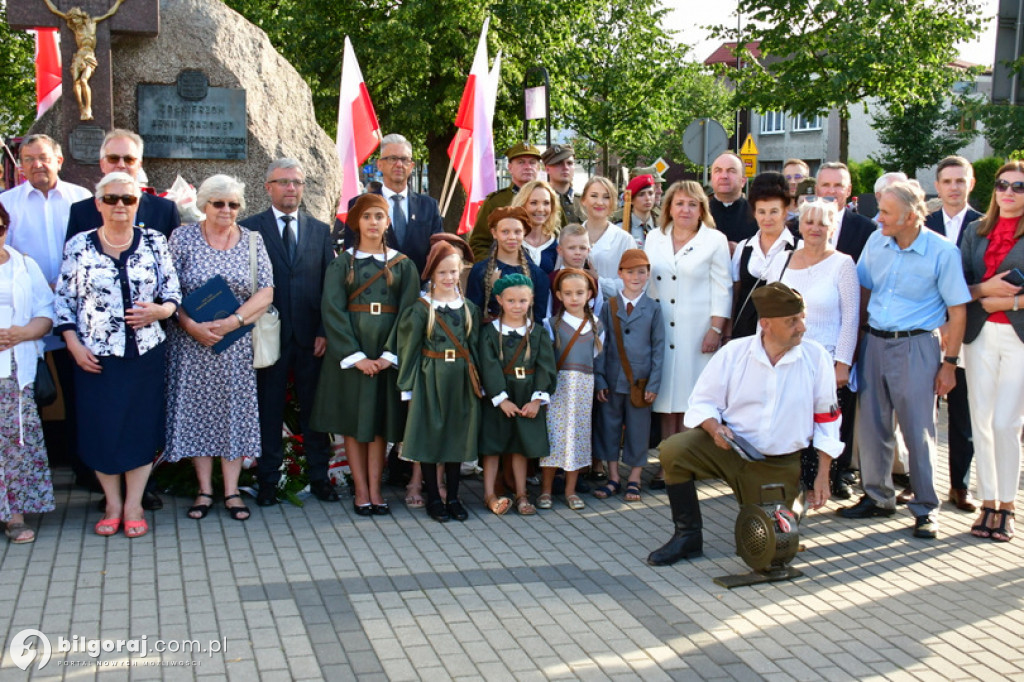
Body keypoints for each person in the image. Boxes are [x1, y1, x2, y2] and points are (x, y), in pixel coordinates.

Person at [647, 282, 842, 566]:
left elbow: (827, 419)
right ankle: (687, 537)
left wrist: (823, 473)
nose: (802, 327)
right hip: (729, 449)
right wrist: (714, 429)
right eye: (792, 321)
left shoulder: (816, 358)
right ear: (766, 324)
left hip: (777, 463)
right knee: (674, 450)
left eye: (802, 318)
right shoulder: (734, 353)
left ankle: (793, 499)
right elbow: (702, 402)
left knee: (770, 555)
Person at [839, 181, 970, 540]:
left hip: (917, 347)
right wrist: (856, 340)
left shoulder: (942, 252)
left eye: (885, 213)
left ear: (912, 217)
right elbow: (862, 289)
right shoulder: (876, 241)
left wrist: (950, 364)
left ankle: (926, 508)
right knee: (873, 427)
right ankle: (878, 497)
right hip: (875, 343)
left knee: (918, 431)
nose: (877, 218)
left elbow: (957, 312)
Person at [55, 172, 181, 538]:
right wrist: (74, 346)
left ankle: (134, 504)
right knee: (102, 431)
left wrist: (161, 311)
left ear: (137, 203)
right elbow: (64, 302)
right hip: (95, 358)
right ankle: (111, 503)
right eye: (111, 199)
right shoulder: (79, 245)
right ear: (99, 204)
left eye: (127, 199)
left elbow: (173, 292)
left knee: (140, 430)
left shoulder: (155, 241)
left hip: (144, 356)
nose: (120, 206)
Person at [164, 175, 274, 522]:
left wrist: (234, 322)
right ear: (204, 205)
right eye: (219, 203)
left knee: (233, 418)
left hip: (235, 347)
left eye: (233, 204)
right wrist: (190, 325)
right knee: (197, 415)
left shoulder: (253, 241)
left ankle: (231, 491)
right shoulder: (182, 237)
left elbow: (267, 292)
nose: (226, 210)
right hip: (191, 345)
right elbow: (167, 288)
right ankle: (204, 490)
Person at [311, 193, 418, 515]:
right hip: (351, 357)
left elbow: (410, 313)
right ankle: (361, 491)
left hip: (386, 355)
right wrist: (355, 355)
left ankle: (376, 489)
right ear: (356, 222)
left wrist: (390, 354)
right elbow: (332, 309)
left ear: (388, 222)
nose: (373, 222)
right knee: (354, 424)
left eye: (379, 216)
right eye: (367, 216)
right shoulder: (342, 263)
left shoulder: (403, 265)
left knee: (379, 427)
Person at [239, 158, 337, 506]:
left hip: (312, 338)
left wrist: (325, 329)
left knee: (315, 410)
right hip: (268, 336)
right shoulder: (249, 229)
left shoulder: (320, 230)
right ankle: (267, 480)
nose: (291, 188)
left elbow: (330, 286)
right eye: (283, 182)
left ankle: (320, 477)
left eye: (297, 182)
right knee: (268, 409)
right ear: (268, 187)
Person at [0, 135, 91, 487]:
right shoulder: (6, 203)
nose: (37, 164)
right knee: (31, 392)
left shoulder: (81, 199)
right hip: (24, 318)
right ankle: (34, 474)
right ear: (19, 165)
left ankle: (84, 469)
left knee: (76, 390)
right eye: (28, 158)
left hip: (77, 315)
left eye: (43, 157)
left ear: (59, 160)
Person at [960, 161, 1024, 542]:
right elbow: (959, 286)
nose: (1009, 193)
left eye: (1018, 187)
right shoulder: (975, 232)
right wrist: (986, 294)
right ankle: (988, 502)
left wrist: (1010, 305)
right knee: (981, 422)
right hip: (979, 334)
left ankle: (1008, 505)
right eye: (1003, 185)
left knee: (1007, 424)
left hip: (1018, 336)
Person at [397, 234, 480, 522]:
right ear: (432, 273)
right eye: (442, 272)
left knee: (456, 438)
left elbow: (475, 349)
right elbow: (408, 349)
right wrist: (407, 387)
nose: (448, 277)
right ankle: (434, 496)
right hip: (429, 379)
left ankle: (454, 497)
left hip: (460, 381)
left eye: (453, 272)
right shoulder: (422, 309)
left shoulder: (469, 309)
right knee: (431, 438)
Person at [780, 201, 860, 497]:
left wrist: (843, 363)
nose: (815, 228)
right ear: (799, 226)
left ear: (833, 228)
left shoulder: (843, 263)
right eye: (809, 222)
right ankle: (793, 481)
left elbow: (850, 317)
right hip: (788, 357)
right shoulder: (784, 260)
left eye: (822, 223)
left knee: (824, 424)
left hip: (825, 360)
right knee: (792, 422)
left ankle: (822, 483)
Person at [644, 181, 731, 443]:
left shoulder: (714, 240)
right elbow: (648, 283)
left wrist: (716, 330)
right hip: (660, 329)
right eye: (680, 203)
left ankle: (684, 462)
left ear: (702, 209)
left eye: (692, 204)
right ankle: (666, 460)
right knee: (665, 397)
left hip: (697, 332)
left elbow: (723, 288)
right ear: (669, 207)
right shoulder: (654, 237)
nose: (685, 210)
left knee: (691, 398)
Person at [925, 155, 983, 513]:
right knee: (921, 413)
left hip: (970, 331)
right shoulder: (923, 223)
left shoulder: (984, 224)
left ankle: (959, 486)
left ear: (971, 184)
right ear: (937, 186)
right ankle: (920, 484)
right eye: (947, 181)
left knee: (962, 413)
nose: (954, 187)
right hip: (926, 330)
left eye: (960, 181)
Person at [0, 203, 56, 544]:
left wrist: (23, 332)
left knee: (14, 445)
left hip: (15, 371)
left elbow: (46, 312)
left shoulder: (23, 265)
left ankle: (15, 516)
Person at [478, 274, 556, 516]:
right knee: (493, 446)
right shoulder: (490, 332)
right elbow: (488, 366)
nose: (516, 306)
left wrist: (536, 399)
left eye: (522, 300)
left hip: (526, 395)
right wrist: (501, 399)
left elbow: (546, 366)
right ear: (500, 300)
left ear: (531, 300)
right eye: (511, 300)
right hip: (499, 397)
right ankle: (489, 494)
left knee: (520, 447)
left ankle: (521, 494)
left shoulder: (538, 332)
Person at [594, 250, 664, 502]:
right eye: (630, 271)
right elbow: (601, 345)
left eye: (641, 272)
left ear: (648, 275)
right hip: (612, 380)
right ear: (620, 274)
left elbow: (658, 348)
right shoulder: (610, 306)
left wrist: (654, 383)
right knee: (609, 427)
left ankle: (634, 477)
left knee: (638, 430)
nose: (636, 277)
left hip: (640, 383)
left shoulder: (654, 309)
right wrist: (599, 379)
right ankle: (613, 476)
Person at [538, 268, 604, 511]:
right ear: (558, 295)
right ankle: (545, 491)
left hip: (584, 387)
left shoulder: (596, 325)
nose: (574, 298)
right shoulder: (550, 324)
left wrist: (602, 385)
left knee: (577, 437)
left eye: (579, 292)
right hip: (557, 386)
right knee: (553, 437)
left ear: (589, 295)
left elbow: (598, 359)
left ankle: (570, 491)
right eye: (568, 293)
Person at [337, 133, 443, 274]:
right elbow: (352, 252)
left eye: (404, 159)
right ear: (380, 165)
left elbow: (438, 251)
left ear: (411, 166)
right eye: (393, 158)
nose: (399, 164)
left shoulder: (429, 206)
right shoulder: (360, 204)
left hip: (418, 290)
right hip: (374, 290)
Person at [66, 129, 181, 241]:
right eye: (113, 158)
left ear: (139, 165)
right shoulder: (81, 212)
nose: (121, 165)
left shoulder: (165, 211)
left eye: (129, 159)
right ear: (102, 164)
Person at [731, 172, 796, 339]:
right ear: (754, 213)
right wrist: (727, 335)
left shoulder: (799, 249)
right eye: (761, 211)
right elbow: (735, 297)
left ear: (785, 212)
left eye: (774, 211)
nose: (767, 218)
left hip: (783, 338)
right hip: (744, 337)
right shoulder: (743, 248)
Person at [466, 206, 549, 323]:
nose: (512, 237)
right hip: (489, 338)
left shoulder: (537, 275)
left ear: (524, 233)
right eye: (505, 232)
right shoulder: (480, 270)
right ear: (494, 233)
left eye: (517, 232)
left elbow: (539, 320)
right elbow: (473, 315)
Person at [469, 143, 542, 261]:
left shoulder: (550, 200)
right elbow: (479, 243)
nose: (528, 166)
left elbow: (561, 236)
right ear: (510, 167)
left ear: (539, 167)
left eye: (532, 162)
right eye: (521, 162)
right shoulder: (496, 201)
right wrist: (494, 268)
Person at [580, 176, 635, 300]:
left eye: (606, 197)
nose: (600, 202)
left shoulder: (624, 240)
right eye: (594, 196)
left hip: (612, 313)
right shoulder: (571, 236)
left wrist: (599, 281)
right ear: (583, 200)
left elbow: (632, 284)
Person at [815, 162, 876, 262]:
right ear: (816, 189)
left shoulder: (867, 229)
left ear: (849, 190)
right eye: (825, 185)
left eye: (838, 185)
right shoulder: (797, 228)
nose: (831, 191)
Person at [547, 223, 602, 318]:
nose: (577, 252)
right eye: (571, 248)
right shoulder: (551, 280)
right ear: (560, 250)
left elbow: (599, 313)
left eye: (582, 248)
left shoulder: (593, 281)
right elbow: (547, 314)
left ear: (588, 250)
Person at [708, 152, 758, 249]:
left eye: (731, 171)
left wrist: (741, 252)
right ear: (712, 178)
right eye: (718, 171)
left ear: (743, 181)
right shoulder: (699, 212)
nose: (724, 176)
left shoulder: (756, 214)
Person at [512, 180, 560, 272]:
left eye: (546, 203)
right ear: (522, 205)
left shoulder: (556, 245)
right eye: (534, 203)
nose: (541, 209)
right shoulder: (510, 241)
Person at [540, 144, 583, 224]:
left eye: (569, 163)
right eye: (559, 163)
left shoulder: (585, 202)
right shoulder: (540, 203)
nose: (565, 167)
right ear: (547, 169)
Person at [624, 174, 658, 249]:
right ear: (631, 200)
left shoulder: (662, 227)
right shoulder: (621, 228)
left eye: (650, 193)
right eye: (641, 194)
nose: (648, 198)